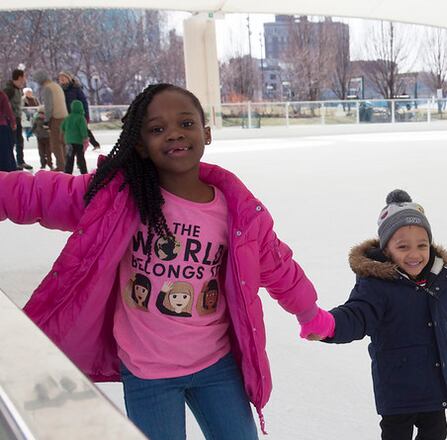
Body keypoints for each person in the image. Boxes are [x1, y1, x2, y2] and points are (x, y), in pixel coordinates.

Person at [0, 83, 334, 440]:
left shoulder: (237, 213)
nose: (174, 133)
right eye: (157, 129)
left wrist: (309, 312)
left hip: (216, 365)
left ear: (206, 133)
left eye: (186, 123)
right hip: (148, 372)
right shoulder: (116, 198)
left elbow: (276, 264)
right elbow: (40, 193)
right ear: (140, 144)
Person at [304, 189, 447, 440]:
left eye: (422, 245)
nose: (414, 254)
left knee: (437, 433)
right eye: (403, 246)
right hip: (398, 393)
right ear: (387, 250)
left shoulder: (438, 281)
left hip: (435, 388)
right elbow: (357, 315)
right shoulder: (376, 287)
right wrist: (328, 325)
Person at [31, 71, 68, 171]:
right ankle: (66, 164)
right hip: (64, 117)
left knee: (56, 144)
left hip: (56, 118)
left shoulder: (48, 88)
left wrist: (47, 121)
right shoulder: (56, 86)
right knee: (63, 143)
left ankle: (61, 166)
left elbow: (49, 106)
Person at [58, 71, 100, 150]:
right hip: (66, 114)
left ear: (68, 79)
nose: (62, 80)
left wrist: (86, 115)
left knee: (84, 129)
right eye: (60, 79)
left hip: (78, 114)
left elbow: (83, 102)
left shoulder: (75, 89)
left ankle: (95, 144)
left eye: (63, 79)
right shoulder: (60, 90)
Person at [3, 69, 32, 170]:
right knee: (11, 141)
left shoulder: (18, 89)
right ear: (20, 77)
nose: (25, 79)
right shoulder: (9, 89)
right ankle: (11, 162)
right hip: (10, 120)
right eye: (24, 77)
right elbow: (5, 105)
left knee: (19, 140)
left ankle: (20, 161)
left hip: (17, 118)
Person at [60, 100, 89, 174]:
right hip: (78, 142)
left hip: (69, 142)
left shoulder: (67, 118)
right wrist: (85, 138)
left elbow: (62, 127)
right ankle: (84, 172)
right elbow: (83, 129)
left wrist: (63, 137)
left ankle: (67, 173)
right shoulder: (81, 118)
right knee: (80, 158)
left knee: (69, 158)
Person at [0, 90, 17, 172]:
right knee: (5, 154)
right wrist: (13, 123)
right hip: (1, 127)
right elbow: (8, 110)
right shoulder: (1, 94)